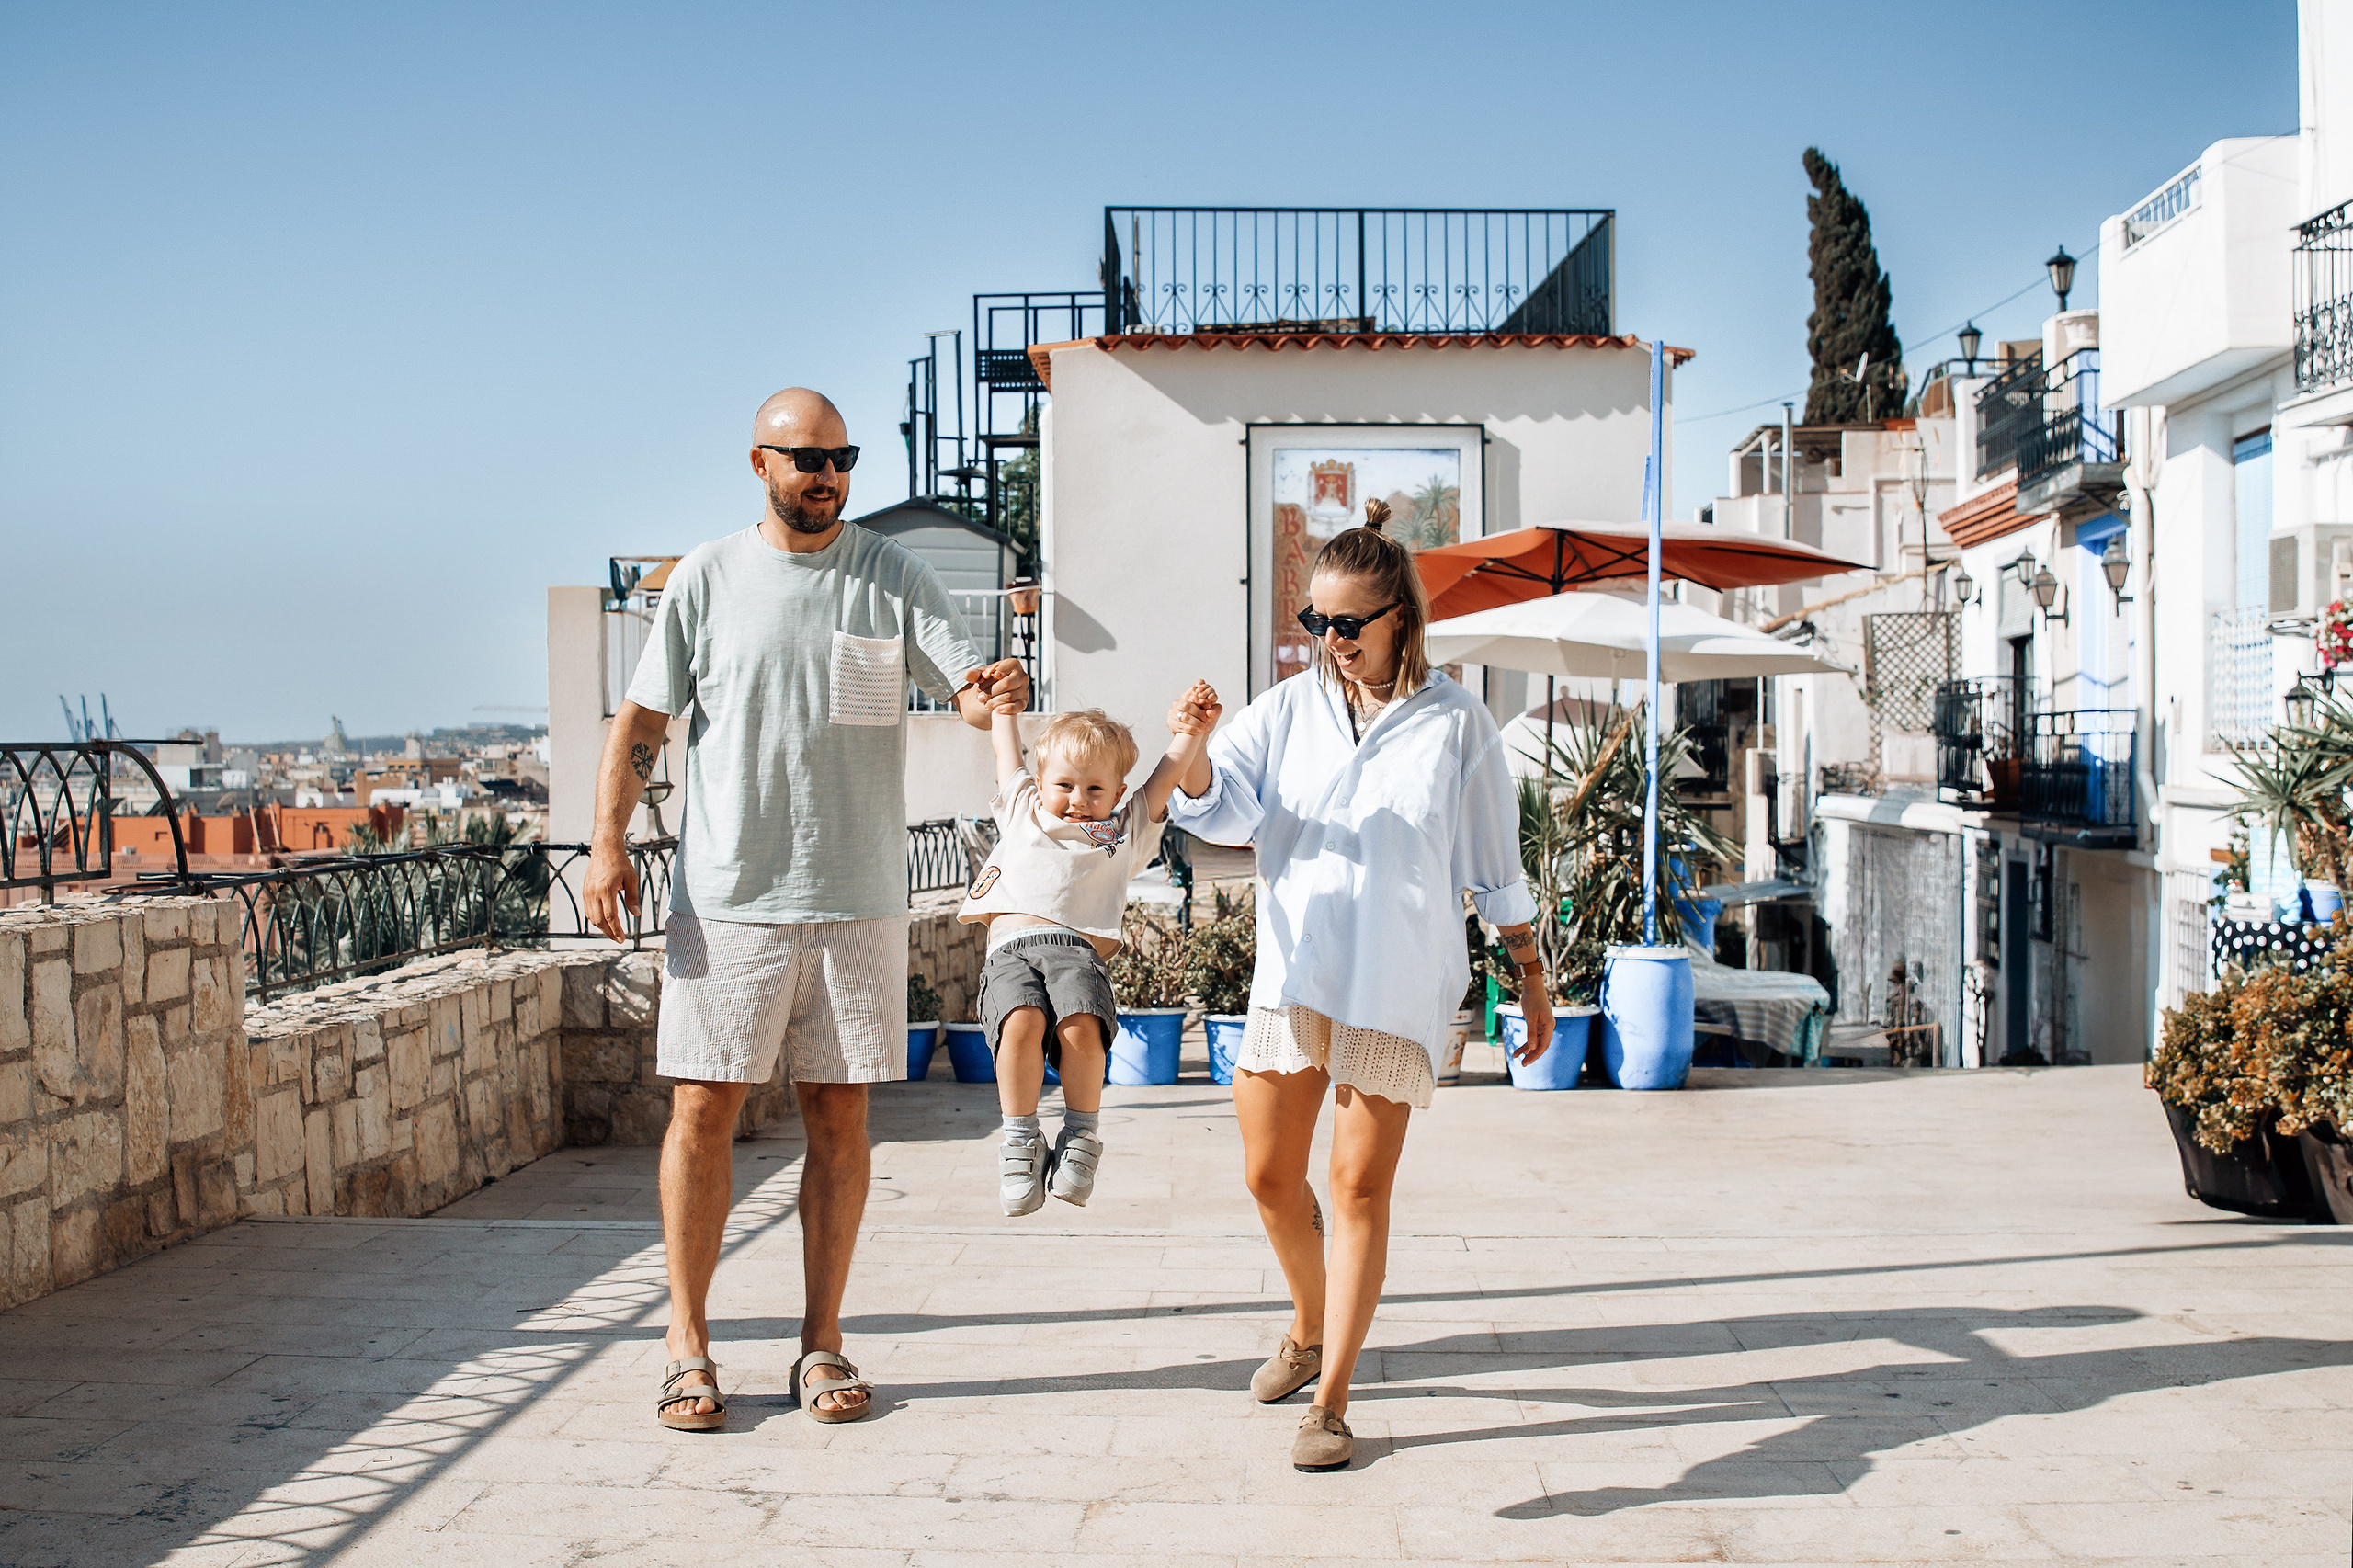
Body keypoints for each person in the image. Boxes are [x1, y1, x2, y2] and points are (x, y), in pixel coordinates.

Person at [582, 387, 1029, 1434]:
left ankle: (820, 1340)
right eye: (804, 458)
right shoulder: (704, 577)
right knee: (704, 1109)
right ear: (759, 464)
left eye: (840, 457)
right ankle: (686, 1342)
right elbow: (643, 718)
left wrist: (990, 687)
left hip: (857, 892)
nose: (825, 475)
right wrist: (606, 842)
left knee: (840, 1115)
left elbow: (960, 687)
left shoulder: (890, 572)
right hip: (727, 893)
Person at [1168, 498, 1552, 1472]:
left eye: (1346, 623)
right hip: (1295, 971)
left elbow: (1494, 861)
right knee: (1265, 1174)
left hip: (1397, 978)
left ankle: (1332, 1399)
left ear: (1398, 619)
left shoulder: (1458, 722)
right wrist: (1197, 747)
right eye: (1314, 623)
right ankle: (1306, 1326)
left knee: (1356, 1186)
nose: (1328, 641)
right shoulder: (1288, 707)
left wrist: (1531, 979)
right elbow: (1221, 809)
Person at [958, 685, 1221, 1214]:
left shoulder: (1124, 830)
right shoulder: (1024, 808)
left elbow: (1166, 775)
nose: (1078, 799)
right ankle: (1020, 1138)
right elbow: (1005, 750)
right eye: (1065, 785)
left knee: (1081, 1027)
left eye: (1095, 788)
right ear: (1039, 782)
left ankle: (1080, 1135)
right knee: (1021, 1023)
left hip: (1077, 953)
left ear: (1119, 791)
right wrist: (1005, 711)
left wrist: (1191, 731)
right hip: (1012, 949)